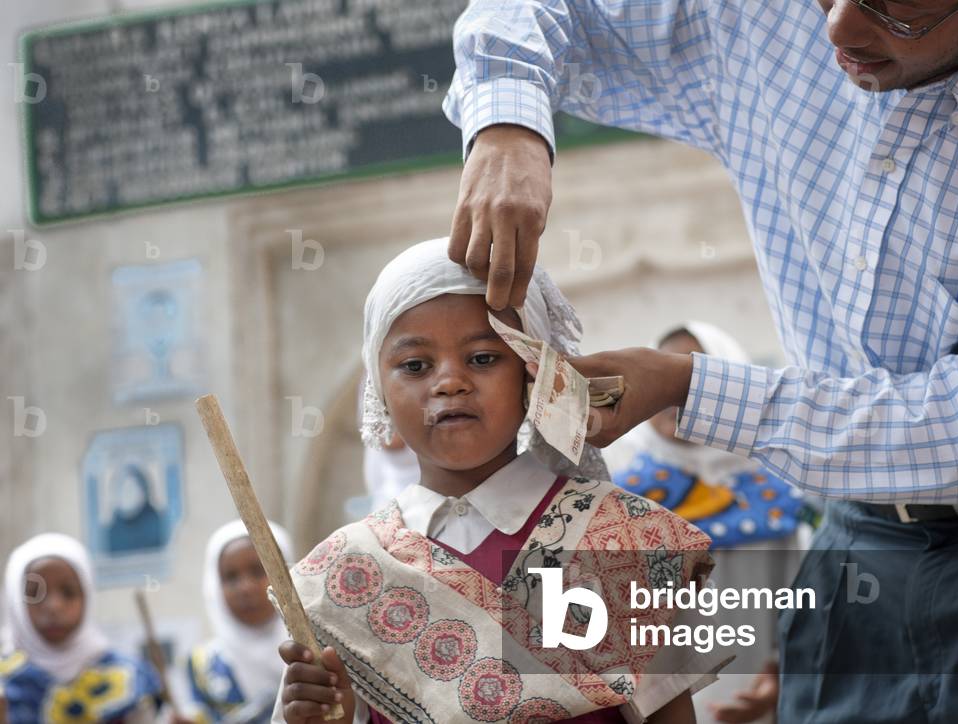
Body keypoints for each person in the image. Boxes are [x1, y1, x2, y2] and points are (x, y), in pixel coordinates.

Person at [441, 0, 958, 720]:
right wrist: (509, 124)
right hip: (856, 550)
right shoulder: (760, 20)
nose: (838, 29)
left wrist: (688, 388)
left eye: (893, 9)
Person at [273, 238, 730, 724]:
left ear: (533, 373)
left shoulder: (621, 541)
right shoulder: (345, 574)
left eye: (483, 358)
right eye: (415, 365)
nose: (449, 381)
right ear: (379, 390)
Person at [605, 323, 810, 724]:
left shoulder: (776, 498)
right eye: (660, 383)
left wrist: (788, 677)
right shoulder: (619, 504)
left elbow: (806, 611)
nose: (673, 399)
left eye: (692, 382)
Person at [0, 533, 163, 723]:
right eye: (35, 593)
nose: (54, 607)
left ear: (88, 594)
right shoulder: (4, 680)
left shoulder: (131, 678)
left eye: (68, 592)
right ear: (14, 601)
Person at [185, 520, 293, 723]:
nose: (245, 588)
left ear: (286, 572)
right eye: (231, 577)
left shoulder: (318, 648)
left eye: (258, 571)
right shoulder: (204, 665)